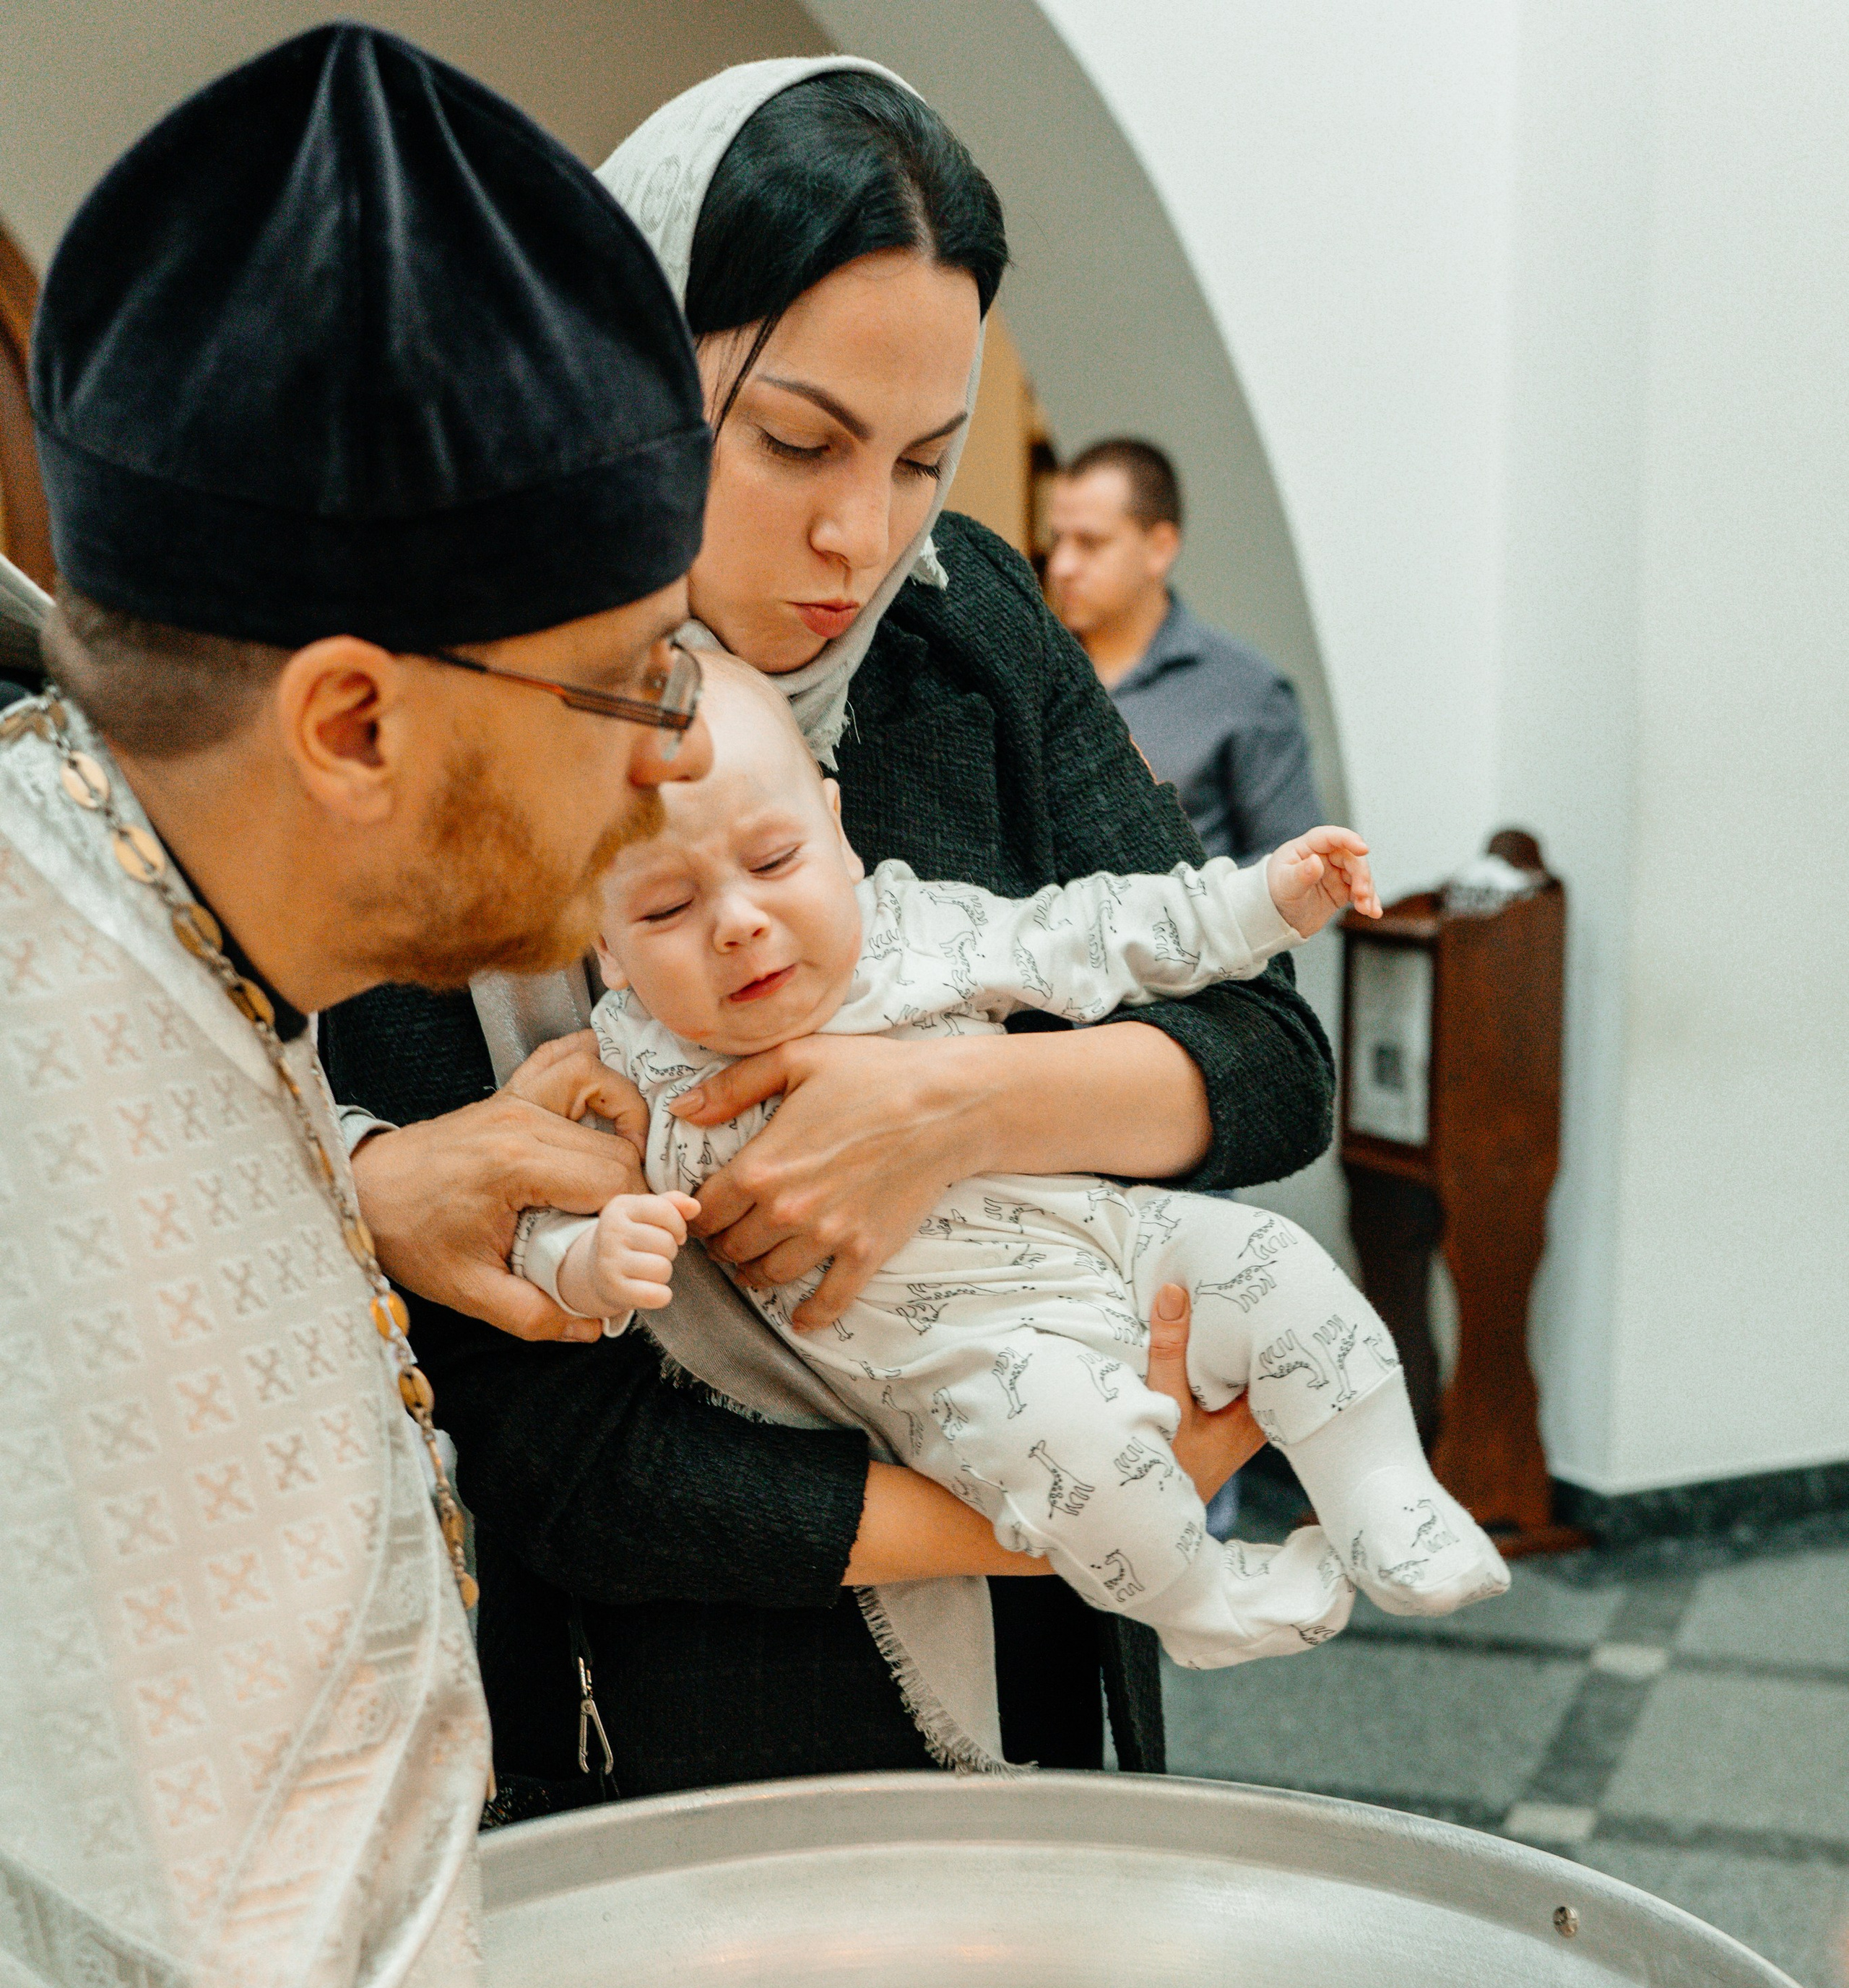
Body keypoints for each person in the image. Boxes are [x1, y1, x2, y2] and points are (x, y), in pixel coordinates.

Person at [0, 25, 719, 1988]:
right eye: (631, 677)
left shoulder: (80, 850)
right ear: (349, 717)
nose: (680, 759)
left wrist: (359, 1196)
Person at [320, 58, 1338, 1805]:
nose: (856, 535)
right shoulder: (459, 737)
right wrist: (1063, 1517)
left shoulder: (961, 626)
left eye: (923, 458)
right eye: (793, 442)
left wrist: (945, 1110)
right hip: (679, 1699)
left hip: (1046, 1646)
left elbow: (1265, 1056)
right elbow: (557, 1450)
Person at [513, 659, 1509, 1655]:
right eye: (665, 910)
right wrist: (589, 1260)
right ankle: (1203, 1604)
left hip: (1116, 1237)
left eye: (774, 861)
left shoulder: (920, 929)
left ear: (837, 832)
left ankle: (1385, 1492)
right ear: (604, 943)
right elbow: (541, 1218)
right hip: (971, 1371)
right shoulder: (626, 1067)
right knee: (1079, 1457)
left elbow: (1090, 932)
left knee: (1277, 1265)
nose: (739, 923)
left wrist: (1256, 904)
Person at [1047, 438, 1325, 864]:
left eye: (1090, 543)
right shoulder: (1030, 670)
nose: (1061, 566)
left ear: (1159, 549)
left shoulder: (1247, 690)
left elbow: (1295, 865)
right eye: (1057, 540)